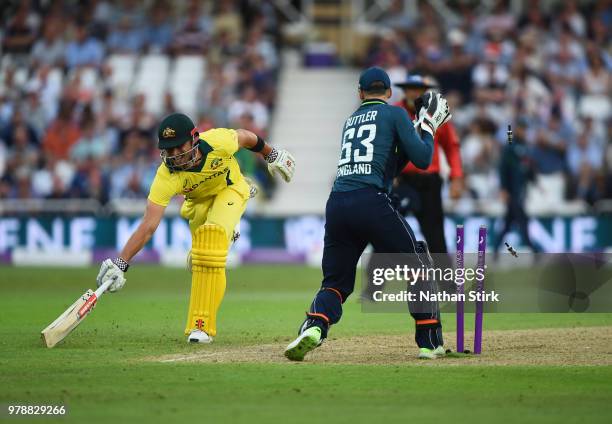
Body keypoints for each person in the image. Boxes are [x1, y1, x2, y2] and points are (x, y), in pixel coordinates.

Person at [284, 67, 451, 361]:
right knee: (419, 262)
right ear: (389, 93)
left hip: (337, 203)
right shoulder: (395, 114)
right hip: (370, 201)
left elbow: (389, 167)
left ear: (360, 94)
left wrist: (414, 131)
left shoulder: (350, 121)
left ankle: (315, 325)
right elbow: (423, 159)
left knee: (335, 282)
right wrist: (427, 127)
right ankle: (429, 341)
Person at [95, 113, 295, 343]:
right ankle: (227, 232)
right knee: (200, 262)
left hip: (230, 190)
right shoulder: (166, 175)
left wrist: (272, 154)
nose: (175, 156)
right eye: (168, 150)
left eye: (179, 147)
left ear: (194, 139)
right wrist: (121, 263)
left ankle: (201, 327)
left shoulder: (218, 141)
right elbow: (149, 224)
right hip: (199, 205)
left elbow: (246, 137)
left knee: (211, 247)